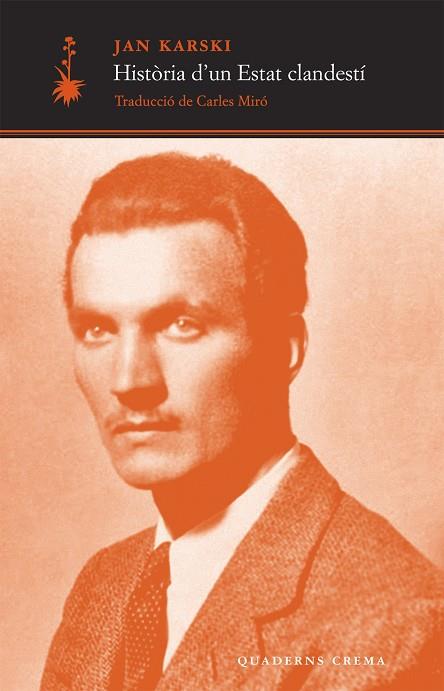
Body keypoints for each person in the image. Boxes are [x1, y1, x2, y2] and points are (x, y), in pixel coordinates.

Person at [41, 153, 443, 691]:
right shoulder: (104, 586)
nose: (129, 379)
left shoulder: (397, 622)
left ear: (284, 350)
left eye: (181, 324)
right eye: (97, 329)